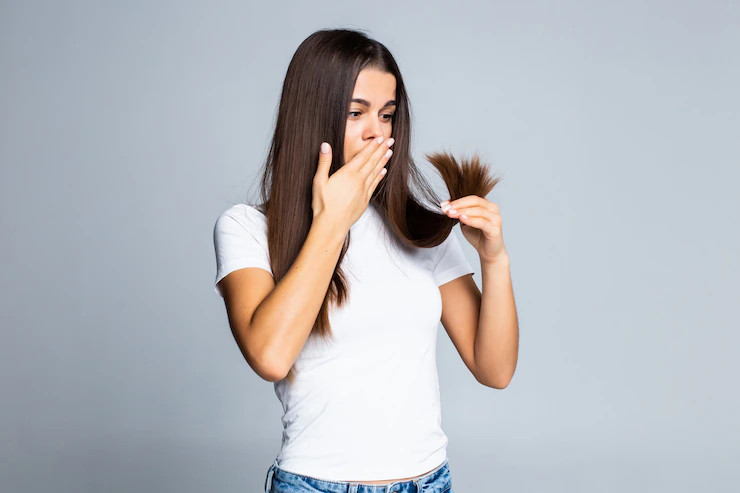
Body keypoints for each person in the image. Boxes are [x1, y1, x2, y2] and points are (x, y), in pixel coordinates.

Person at [213, 28, 518, 492]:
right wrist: (332, 224)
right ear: (313, 117)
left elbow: (494, 369)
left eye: (387, 115)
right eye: (356, 113)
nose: (377, 131)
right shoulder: (247, 228)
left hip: (428, 482)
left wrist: (494, 261)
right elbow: (270, 356)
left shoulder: (418, 227)